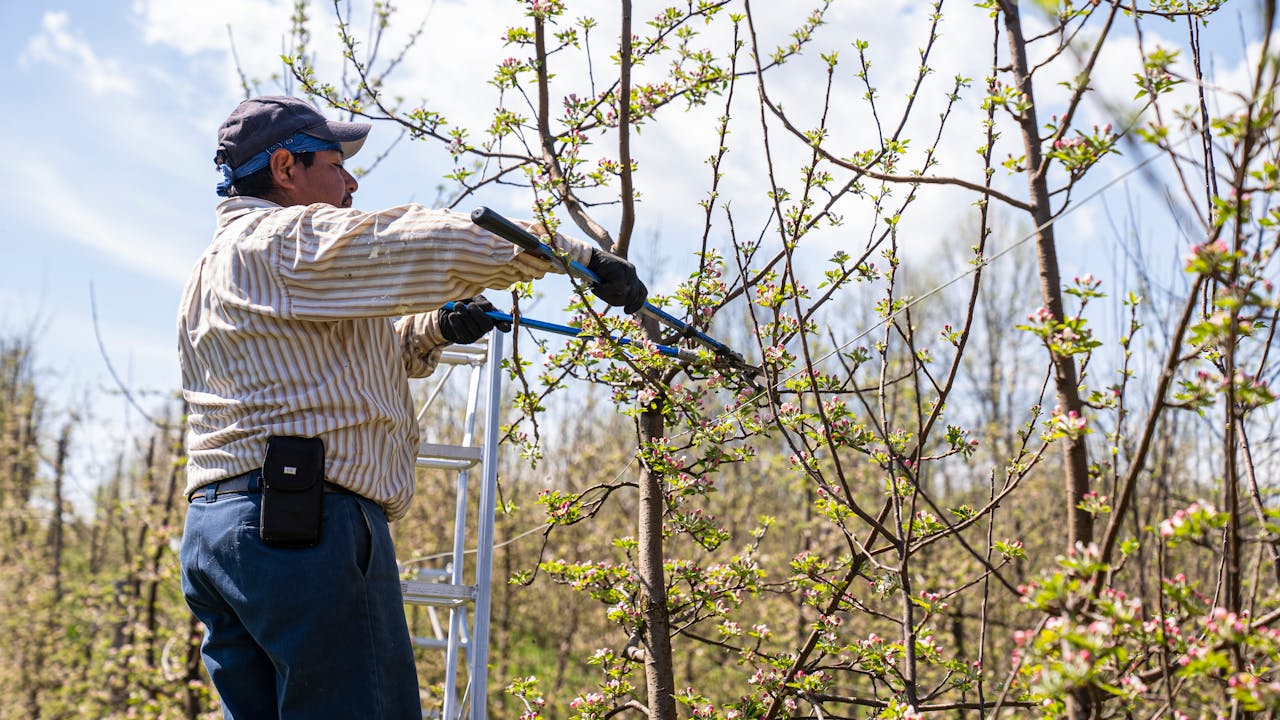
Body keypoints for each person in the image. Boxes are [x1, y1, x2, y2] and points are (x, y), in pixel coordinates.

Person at [178, 95, 647, 719]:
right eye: (334, 164)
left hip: (221, 536)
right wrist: (576, 256)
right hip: (304, 530)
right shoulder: (285, 240)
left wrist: (435, 330)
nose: (350, 182)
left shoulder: (212, 271)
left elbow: (316, 377)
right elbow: (417, 243)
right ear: (285, 167)